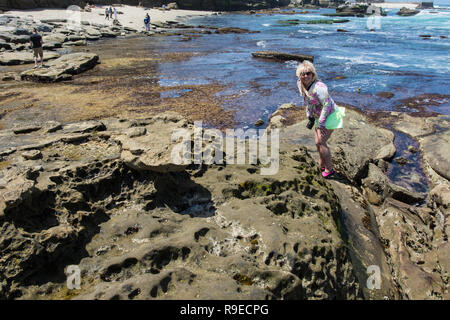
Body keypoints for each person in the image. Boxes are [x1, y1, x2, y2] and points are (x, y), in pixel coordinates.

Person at [296, 60, 345, 179]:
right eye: (303, 74)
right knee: (317, 142)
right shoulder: (301, 84)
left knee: (321, 142)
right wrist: (309, 113)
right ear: (299, 76)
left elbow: (327, 105)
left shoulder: (319, 87)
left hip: (329, 115)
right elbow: (307, 101)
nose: (306, 76)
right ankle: (322, 164)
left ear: (313, 74)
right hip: (318, 116)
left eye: (308, 73)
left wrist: (322, 123)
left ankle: (329, 169)